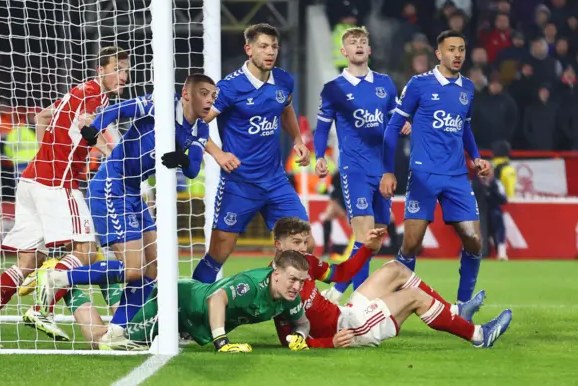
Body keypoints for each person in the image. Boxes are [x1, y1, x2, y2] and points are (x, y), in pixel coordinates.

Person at [0, 46, 129, 348]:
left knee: (27, 261)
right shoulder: (95, 94)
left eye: (126, 70)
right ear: (100, 70)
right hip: (58, 183)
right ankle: (42, 308)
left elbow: (42, 116)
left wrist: (45, 157)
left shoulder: (75, 92)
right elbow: (85, 126)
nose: (124, 76)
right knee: (87, 252)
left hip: (32, 179)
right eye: (118, 68)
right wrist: (111, 154)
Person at [36, 74, 216, 350]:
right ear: (187, 93)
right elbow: (117, 109)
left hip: (133, 192)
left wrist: (182, 158)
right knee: (134, 271)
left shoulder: (200, 130)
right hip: (111, 186)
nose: (209, 100)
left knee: (154, 271)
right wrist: (95, 128)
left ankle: (115, 333)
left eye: (213, 96)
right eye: (204, 93)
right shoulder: (162, 105)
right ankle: (59, 277)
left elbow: (192, 169)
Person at [270, 218, 511, 349]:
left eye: (305, 241)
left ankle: (454, 311)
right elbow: (287, 339)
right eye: (296, 242)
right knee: (414, 296)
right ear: (278, 244)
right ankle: (478, 335)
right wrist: (328, 343)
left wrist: (367, 250)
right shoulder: (276, 283)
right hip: (347, 331)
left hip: (345, 314)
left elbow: (341, 274)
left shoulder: (306, 262)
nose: (303, 248)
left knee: (394, 269)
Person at [380, 30, 492, 304]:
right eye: (451, 49)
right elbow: (393, 128)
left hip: (456, 177)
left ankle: (463, 305)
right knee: (411, 244)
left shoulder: (467, 88)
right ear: (439, 53)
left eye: (462, 49)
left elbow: (465, 128)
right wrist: (387, 170)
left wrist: (476, 156)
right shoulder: (419, 84)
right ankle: (390, 305)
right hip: (424, 175)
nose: (457, 55)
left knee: (475, 241)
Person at [192, 23, 310, 283]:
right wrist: (218, 154)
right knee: (217, 256)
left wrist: (297, 139)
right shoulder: (229, 88)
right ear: (249, 49)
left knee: (302, 245)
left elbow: (286, 108)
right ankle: (191, 309)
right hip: (240, 184)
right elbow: (197, 122)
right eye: (263, 46)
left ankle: (282, 302)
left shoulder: (283, 80)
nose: (270, 52)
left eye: (274, 47)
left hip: (276, 181)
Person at [313, 26, 410, 303]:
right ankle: (358, 306)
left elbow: (396, 118)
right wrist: (320, 155)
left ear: (369, 50)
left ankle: (338, 289)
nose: (358, 45)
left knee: (375, 241)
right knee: (366, 236)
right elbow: (322, 128)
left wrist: (404, 124)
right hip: (354, 169)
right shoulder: (334, 89)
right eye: (352, 42)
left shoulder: (385, 84)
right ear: (343, 52)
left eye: (363, 42)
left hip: (383, 172)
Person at [122, 250, 312, 353]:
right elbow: (216, 299)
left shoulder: (289, 296)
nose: (297, 286)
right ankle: (107, 284)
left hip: (195, 321)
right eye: (293, 279)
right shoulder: (251, 286)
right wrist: (222, 342)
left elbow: (302, 322)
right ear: (276, 274)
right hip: (179, 302)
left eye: (301, 281)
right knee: (122, 340)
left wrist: (299, 336)